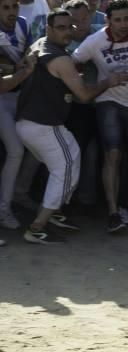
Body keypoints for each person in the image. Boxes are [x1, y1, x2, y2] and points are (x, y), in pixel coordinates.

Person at [16, 9, 128, 244]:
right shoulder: (61, 59)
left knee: (73, 155)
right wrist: (109, 81)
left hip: (38, 123)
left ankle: (54, 211)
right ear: (49, 29)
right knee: (64, 168)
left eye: (69, 27)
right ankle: (37, 227)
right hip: (41, 126)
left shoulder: (41, 44)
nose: (68, 31)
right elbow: (84, 95)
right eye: (61, 27)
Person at [72, 0, 128, 233]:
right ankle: (112, 212)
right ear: (107, 20)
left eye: (126, 19)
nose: (122, 24)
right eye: (117, 20)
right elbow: (72, 62)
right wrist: (88, 86)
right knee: (113, 155)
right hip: (108, 101)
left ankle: (127, 206)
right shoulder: (95, 41)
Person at [0, 0, 33, 230]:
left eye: (14, 6)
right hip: (1, 99)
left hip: (20, 98)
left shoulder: (22, 24)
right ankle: (4, 209)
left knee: (38, 144)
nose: (12, 12)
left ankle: (18, 195)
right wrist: (23, 71)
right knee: (16, 150)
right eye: (5, 7)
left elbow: (30, 56)